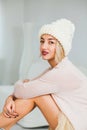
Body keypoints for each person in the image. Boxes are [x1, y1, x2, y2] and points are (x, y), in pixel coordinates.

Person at [0, 18, 87, 130]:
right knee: (35, 92)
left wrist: (14, 92)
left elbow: (22, 90)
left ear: (61, 47)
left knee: (39, 95)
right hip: (72, 122)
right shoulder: (56, 69)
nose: (44, 47)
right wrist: (10, 98)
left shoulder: (62, 72)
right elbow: (28, 87)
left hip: (75, 127)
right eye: (42, 41)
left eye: (51, 42)